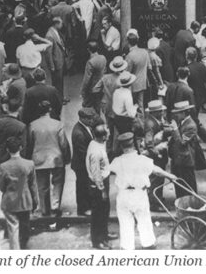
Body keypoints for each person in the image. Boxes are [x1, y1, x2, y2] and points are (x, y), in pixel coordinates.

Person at [109, 132, 176, 250]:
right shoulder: (142, 160)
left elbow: (107, 169)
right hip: (139, 194)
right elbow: (156, 171)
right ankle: (148, 243)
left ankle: (127, 247)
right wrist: (170, 176)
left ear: (121, 146)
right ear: (135, 145)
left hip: (123, 195)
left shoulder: (117, 161)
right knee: (144, 219)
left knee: (125, 222)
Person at [28, 100, 71, 216]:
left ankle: (44, 209)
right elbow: (63, 143)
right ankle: (55, 206)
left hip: (39, 158)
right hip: (56, 157)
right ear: (50, 110)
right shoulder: (58, 124)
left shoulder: (33, 125)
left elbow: (30, 143)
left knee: (42, 185)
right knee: (57, 183)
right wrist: (67, 157)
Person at [0, 137, 38, 249]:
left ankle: (15, 249)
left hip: (10, 200)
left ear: (7, 149)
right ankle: (24, 245)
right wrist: (35, 201)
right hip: (25, 199)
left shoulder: (3, 166)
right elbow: (33, 185)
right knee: (25, 224)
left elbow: (1, 186)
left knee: (12, 228)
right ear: (20, 148)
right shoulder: (29, 164)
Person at [86, 120, 118, 249]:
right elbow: (96, 173)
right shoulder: (96, 151)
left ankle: (104, 234)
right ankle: (97, 240)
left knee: (104, 211)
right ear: (103, 136)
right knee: (98, 213)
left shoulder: (98, 143)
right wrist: (102, 190)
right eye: (108, 133)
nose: (110, 134)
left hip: (103, 181)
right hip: (98, 184)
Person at [92, 56, 127, 152]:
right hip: (119, 108)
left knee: (109, 129)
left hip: (107, 106)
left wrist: (103, 95)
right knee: (120, 129)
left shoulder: (105, 78)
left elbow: (95, 89)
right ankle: (118, 151)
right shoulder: (124, 80)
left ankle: (108, 150)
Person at [144, 100, 171, 212]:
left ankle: (158, 198)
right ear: (155, 113)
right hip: (156, 158)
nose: (162, 113)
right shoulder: (150, 124)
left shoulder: (156, 120)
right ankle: (154, 203)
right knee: (156, 180)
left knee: (159, 180)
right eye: (160, 111)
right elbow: (149, 144)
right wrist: (158, 154)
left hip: (159, 156)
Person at [167, 101, 199, 198]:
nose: (176, 115)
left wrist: (175, 129)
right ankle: (181, 202)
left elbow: (182, 142)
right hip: (178, 160)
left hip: (186, 161)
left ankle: (191, 203)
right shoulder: (183, 122)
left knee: (188, 186)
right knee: (179, 185)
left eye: (178, 113)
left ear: (184, 113)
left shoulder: (191, 126)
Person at [71, 107, 98, 216]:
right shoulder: (79, 133)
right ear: (83, 118)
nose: (92, 121)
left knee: (86, 185)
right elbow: (83, 153)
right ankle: (83, 208)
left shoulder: (85, 127)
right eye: (90, 119)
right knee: (82, 186)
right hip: (82, 165)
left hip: (84, 163)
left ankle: (87, 206)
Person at [0, 97, 27, 165]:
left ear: (7, 108)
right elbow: (23, 145)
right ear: (18, 109)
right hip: (16, 158)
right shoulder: (21, 126)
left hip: (2, 156)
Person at [125, 32, 150, 113]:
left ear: (128, 42)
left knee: (131, 106)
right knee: (140, 105)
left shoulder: (130, 56)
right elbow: (148, 66)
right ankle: (141, 122)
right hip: (143, 82)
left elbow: (126, 72)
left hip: (133, 85)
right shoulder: (145, 52)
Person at [45, 16, 67, 100]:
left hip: (59, 60)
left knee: (60, 81)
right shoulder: (49, 35)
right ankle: (58, 98)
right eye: (61, 23)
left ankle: (61, 97)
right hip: (55, 62)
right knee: (56, 82)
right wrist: (51, 66)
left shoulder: (55, 32)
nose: (62, 25)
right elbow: (48, 53)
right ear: (56, 24)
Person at [186, 46, 206, 114]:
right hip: (202, 94)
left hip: (191, 96)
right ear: (196, 56)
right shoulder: (202, 66)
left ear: (186, 56)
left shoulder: (187, 69)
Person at [81, 40, 107, 109]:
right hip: (101, 86)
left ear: (88, 50)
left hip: (92, 89)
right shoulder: (103, 58)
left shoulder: (90, 62)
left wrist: (83, 91)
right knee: (98, 106)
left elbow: (87, 79)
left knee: (89, 107)